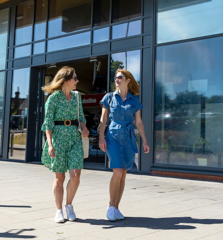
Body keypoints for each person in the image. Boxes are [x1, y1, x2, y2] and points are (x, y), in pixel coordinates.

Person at [98, 69, 150, 221]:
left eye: (120, 77)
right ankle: (110, 206)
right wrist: (101, 137)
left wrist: (144, 140)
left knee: (123, 174)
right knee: (117, 172)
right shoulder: (109, 98)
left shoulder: (134, 101)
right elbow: (103, 119)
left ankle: (116, 207)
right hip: (112, 136)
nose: (117, 79)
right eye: (115, 78)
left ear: (127, 80)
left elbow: (138, 122)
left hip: (127, 138)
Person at [41, 66, 90, 223]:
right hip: (58, 139)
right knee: (59, 178)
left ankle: (69, 205)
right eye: (75, 78)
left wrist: (84, 128)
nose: (77, 81)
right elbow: (48, 123)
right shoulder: (53, 99)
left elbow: (81, 117)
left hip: (75, 139)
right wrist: (50, 144)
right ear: (66, 80)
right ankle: (58, 210)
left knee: (75, 176)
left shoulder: (77, 97)